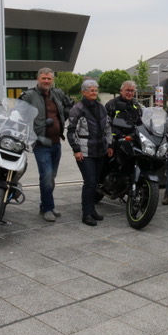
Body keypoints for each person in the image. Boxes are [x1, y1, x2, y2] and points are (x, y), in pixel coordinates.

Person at [19, 67, 73, 222]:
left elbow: (70, 105)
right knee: (47, 176)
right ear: (38, 79)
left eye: (49, 78)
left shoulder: (58, 93)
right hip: (41, 142)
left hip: (56, 142)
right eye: (44, 78)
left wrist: (63, 117)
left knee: (51, 177)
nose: (47, 81)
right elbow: (18, 112)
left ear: (52, 80)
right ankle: (48, 208)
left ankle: (45, 205)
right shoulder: (29, 95)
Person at [67, 80, 114, 226]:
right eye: (91, 90)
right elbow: (71, 131)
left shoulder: (101, 107)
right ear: (83, 92)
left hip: (100, 150)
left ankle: (92, 210)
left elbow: (108, 128)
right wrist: (76, 150)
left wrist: (110, 144)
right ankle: (86, 214)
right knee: (90, 182)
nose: (94, 92)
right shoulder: (77, 109)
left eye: (95, 90)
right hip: (85, 152)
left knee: (96, 182)